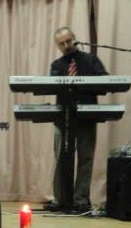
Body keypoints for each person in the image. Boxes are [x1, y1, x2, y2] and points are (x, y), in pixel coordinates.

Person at [46, 27, 108, 213]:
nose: (66, 45)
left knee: (85, 159)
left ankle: (80, 200)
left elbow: (104, 81)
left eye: (68, 41)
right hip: (63, 119)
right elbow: (55, 86)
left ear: (74, 38)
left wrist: (81, 84)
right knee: (61, 159)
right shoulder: (57, 65)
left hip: (86, 118)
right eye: (61, 43)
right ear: (58, 46)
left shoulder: (91, 60)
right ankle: (60, 199)